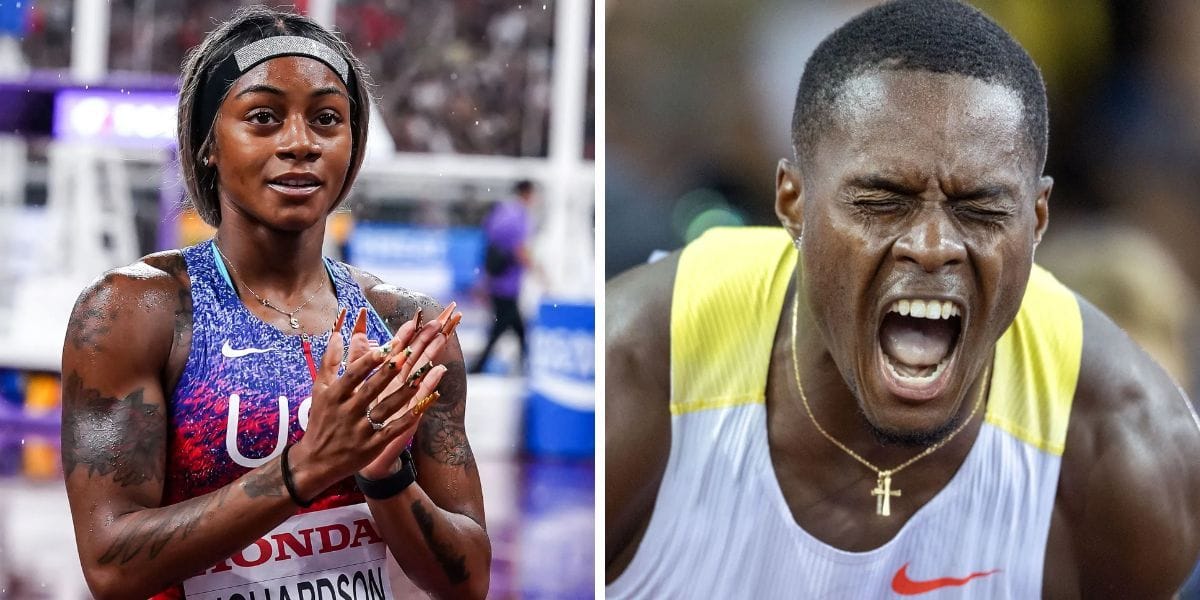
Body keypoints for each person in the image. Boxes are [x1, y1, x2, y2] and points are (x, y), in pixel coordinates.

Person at [605, 0, 1200, 598]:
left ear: (1037, 220)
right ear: (793, 203)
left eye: (982, 209)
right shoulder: (631, 380)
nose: (933, 246)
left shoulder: (1129, 454)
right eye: (882, 200)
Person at [60, 7, 489, 599]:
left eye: (327, 119)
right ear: (209, 143)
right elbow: (111, 566)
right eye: (263, 117)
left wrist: (386, 475)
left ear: (353, 146)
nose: (300, 144)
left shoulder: (401, 324)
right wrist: (308, 465)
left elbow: (468, 580)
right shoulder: (135, 311)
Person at [470, 179, 534, 374]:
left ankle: (526, 365)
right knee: (504, 327)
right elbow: (518, 249)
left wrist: (484, 280)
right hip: (508, 284)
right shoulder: (520, 216)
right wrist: (538, 270)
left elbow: (488, 246)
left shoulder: (499, 212)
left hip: (497, 281)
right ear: (527, 193)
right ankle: (481, 365)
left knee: (513, 327)